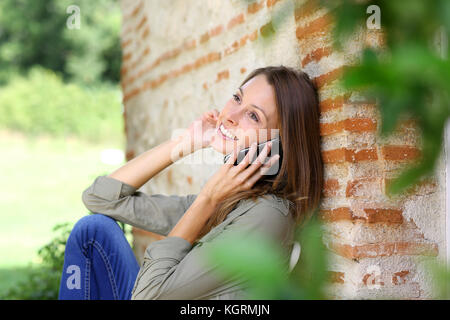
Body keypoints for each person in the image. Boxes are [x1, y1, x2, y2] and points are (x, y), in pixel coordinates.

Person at [58, 65, 323, 300]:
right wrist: (184, 144)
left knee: (91, 231)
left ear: (278, 145)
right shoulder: (233, 200)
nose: (231, 115)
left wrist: (207, 200)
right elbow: (100, 199)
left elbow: (148, 297)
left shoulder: (267, 216)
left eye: (253, 116)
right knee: (93, 230)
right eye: (237, 98)